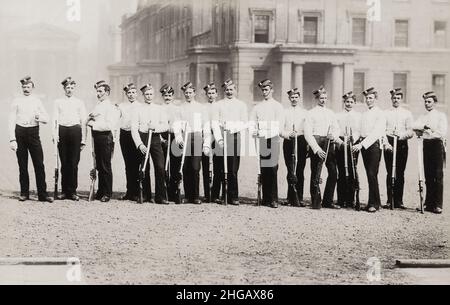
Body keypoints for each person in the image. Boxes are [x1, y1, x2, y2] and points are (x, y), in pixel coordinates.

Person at [8, 76, 53, 203]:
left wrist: (40, 118)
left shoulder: (37, 101)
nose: (26, 89)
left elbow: (47, 118)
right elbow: (11, 120)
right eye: (24, 87)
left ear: (33, 88)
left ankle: (42, 195)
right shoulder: (16, 101)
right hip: (20, 133)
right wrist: (12, 139)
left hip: (33, 133)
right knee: (22, 165)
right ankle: (24, 193)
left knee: (39, 164)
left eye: (28, 87)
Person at [131, 83, 170, 204]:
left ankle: (161, 196)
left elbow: (165, 125)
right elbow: (133, 128)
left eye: (151, 94)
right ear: (143, 95)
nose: (149, 96)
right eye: (146, 94)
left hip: (155, 138)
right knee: (144, 167)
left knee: (160, 166)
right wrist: (139, 144)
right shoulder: (137, 110)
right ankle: (146, 195)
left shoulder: (159, 109)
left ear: (154, 95)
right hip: (143, 138)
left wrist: (155, 128)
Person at [211, 79, 248, 205]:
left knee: (232, 168)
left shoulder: (241, 105)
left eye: (231, 89)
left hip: (234, 137)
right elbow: (214, 123)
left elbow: (244, 123)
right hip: (220, 138)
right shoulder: (218, 105)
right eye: (227, 89)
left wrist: (232, 128)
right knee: (219, 167)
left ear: (235, 90)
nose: (229, 92)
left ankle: (233, 196)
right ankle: (217, 195)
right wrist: (219, 139)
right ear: (224, 90)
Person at [249, 79, 285, 208]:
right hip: (262, 140)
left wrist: (262, 130)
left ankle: (273, 198)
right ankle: (265, 197)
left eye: (266, 89)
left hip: (273, 139)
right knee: (263, 168)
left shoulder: (278, 106)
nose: (264, 92)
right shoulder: (257, 107)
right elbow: (252, 123)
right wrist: (254, 131)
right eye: (263, 90)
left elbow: (278, 125)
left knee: (273, 168)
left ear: (272, 90)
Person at [304, 86, 341, 210]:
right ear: (317, 98)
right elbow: (307, 133)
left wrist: (334, 136)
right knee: (316, 172)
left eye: (325, 98)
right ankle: (315, 200)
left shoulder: (331, 113)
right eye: (321, 98)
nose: (323, 100)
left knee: (333, 172)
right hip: (317, 142)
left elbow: (337, 128)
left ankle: (328, 200)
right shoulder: (311, 113)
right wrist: (316, 149)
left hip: (329, 143)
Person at [174, 82, 211, 204]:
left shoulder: (201, 108)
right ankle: (187, 195)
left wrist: (206, 142)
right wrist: (179, 138)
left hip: (197, 137)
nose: (188, 95)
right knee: (185, 167)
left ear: (194, 93)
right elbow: (177, 125)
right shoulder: (180, 108)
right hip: (185, 138)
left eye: (190, 92)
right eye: (186, 93)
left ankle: (195, 196)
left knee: (195, 167)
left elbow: (205, 126)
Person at [53, 77, 87, 201]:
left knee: (73, 163)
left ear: (74, 88)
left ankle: (72, 191)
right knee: (64, 162)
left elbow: (83, 121)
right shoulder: (58, 102)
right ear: (64, 88)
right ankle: (64, 191)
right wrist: (54, 135)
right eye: (67, 88)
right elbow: (55, 120)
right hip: (62, 131)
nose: (70, 90)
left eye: (72, 88)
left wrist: (83, 139)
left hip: (75, 131)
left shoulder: (79, 102)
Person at [352, 87, 386, 213]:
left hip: (373, 146)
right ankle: (376, 201)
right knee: (369, 174)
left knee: (372, 174)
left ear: (375, 99)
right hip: (364, 145)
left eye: (371, 98)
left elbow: (376, 133)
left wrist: (362, 145)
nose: (368, 100)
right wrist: (352, 140)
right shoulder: (364, 114)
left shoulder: (380, 114)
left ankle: (373, 203)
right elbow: (360, 131)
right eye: (367, 98)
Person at [413, 91, 447, 214]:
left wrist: (428, 132)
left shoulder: (440, 115)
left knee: (437, 175)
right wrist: (424, 127)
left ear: (435, 102)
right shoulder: (423, 116)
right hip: (426, 145)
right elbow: (414, 125)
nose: (427, 104)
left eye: (429, 101)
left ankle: (438, 204)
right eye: (425, 102)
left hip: (437, 145)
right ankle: (428, 203)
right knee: (427, 175)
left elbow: (442, 132)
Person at [87, 80, 120, 203]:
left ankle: (107, 193)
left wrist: (93, 124)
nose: (98, 93)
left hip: (106, 137)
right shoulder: (98, 105)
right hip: (97, 137)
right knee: (99, 165)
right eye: (97, 91)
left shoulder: (110, 107)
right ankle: (101, 191)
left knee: (105, 166)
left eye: (100, 91)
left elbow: (108, 125)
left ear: (107, 92)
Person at [382, 88, 414, 209]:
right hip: (389, 143)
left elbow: (410, 131)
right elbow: (382, 130)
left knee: (400, 172)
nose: (396, 100)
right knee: (390, 171)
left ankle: (399, 200)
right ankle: (390, 200)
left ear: (401, 99)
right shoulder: (386, 113)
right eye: (394, 98)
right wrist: (386, 143)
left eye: (398, 98)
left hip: (401, 143)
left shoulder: (407, 113)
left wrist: (401, 135)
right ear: (391, 99)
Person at [281, 88, 308, 207]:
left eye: (296, 97)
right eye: (292, 97)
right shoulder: (284, 112)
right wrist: (287, 134)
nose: (294, 99)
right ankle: (289, 197)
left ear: (299, 98)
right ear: (289, 99)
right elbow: (280, 129)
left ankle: (299, 197)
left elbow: (308, 129)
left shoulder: (305, 112)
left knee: (300, 169)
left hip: (301, 141)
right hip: (289, 141)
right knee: (290, 169)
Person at [335, 91, 362, 209]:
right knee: (341, 171)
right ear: (344, 102)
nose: (349, 104)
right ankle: (341, 199)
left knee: (352, 171)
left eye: (351, 102)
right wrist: (341, 142)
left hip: (353, 143)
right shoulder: (338, 115)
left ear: (354, 103)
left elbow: (359, 130)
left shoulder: (359, 116)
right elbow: (335, 130)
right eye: (347, 102)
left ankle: (351, 200)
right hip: (341, 143)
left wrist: (352, 140)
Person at [117, 83, 142, 201]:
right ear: (126, 94)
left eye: (133, 92)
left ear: (137, 94)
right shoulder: (121, 106)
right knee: (128, 164)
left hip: (137, 136)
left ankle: (137, 192)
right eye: (129, 93)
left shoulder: (141, 106)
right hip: (125, 135)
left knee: (137, 163)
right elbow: (114, 117)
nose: (131, 95)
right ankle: (129, 192)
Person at [159, 84, 183, 203]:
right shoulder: (159, 108)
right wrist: (161, 139)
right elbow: (157, 124)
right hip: (163, 137)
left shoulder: (177, 109)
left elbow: (179, 125)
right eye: (165, 95)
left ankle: (174, 192)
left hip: (175, 137)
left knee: (175, 165)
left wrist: (179, 139)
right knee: (164, 166)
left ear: (173, 96)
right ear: (162, 96)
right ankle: (165, 192)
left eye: (169, 95)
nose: (167, 97)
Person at [202, 83, 222, 203]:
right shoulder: (203, 107)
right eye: (209, 93)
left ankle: (215, 194)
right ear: (206, 95)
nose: (211, 95)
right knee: (205, 166)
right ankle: (207, 194)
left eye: (213, 93)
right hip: (206, 136)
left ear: (217, 94)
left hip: (217, 136)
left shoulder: (220, 106)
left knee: (218, 166)